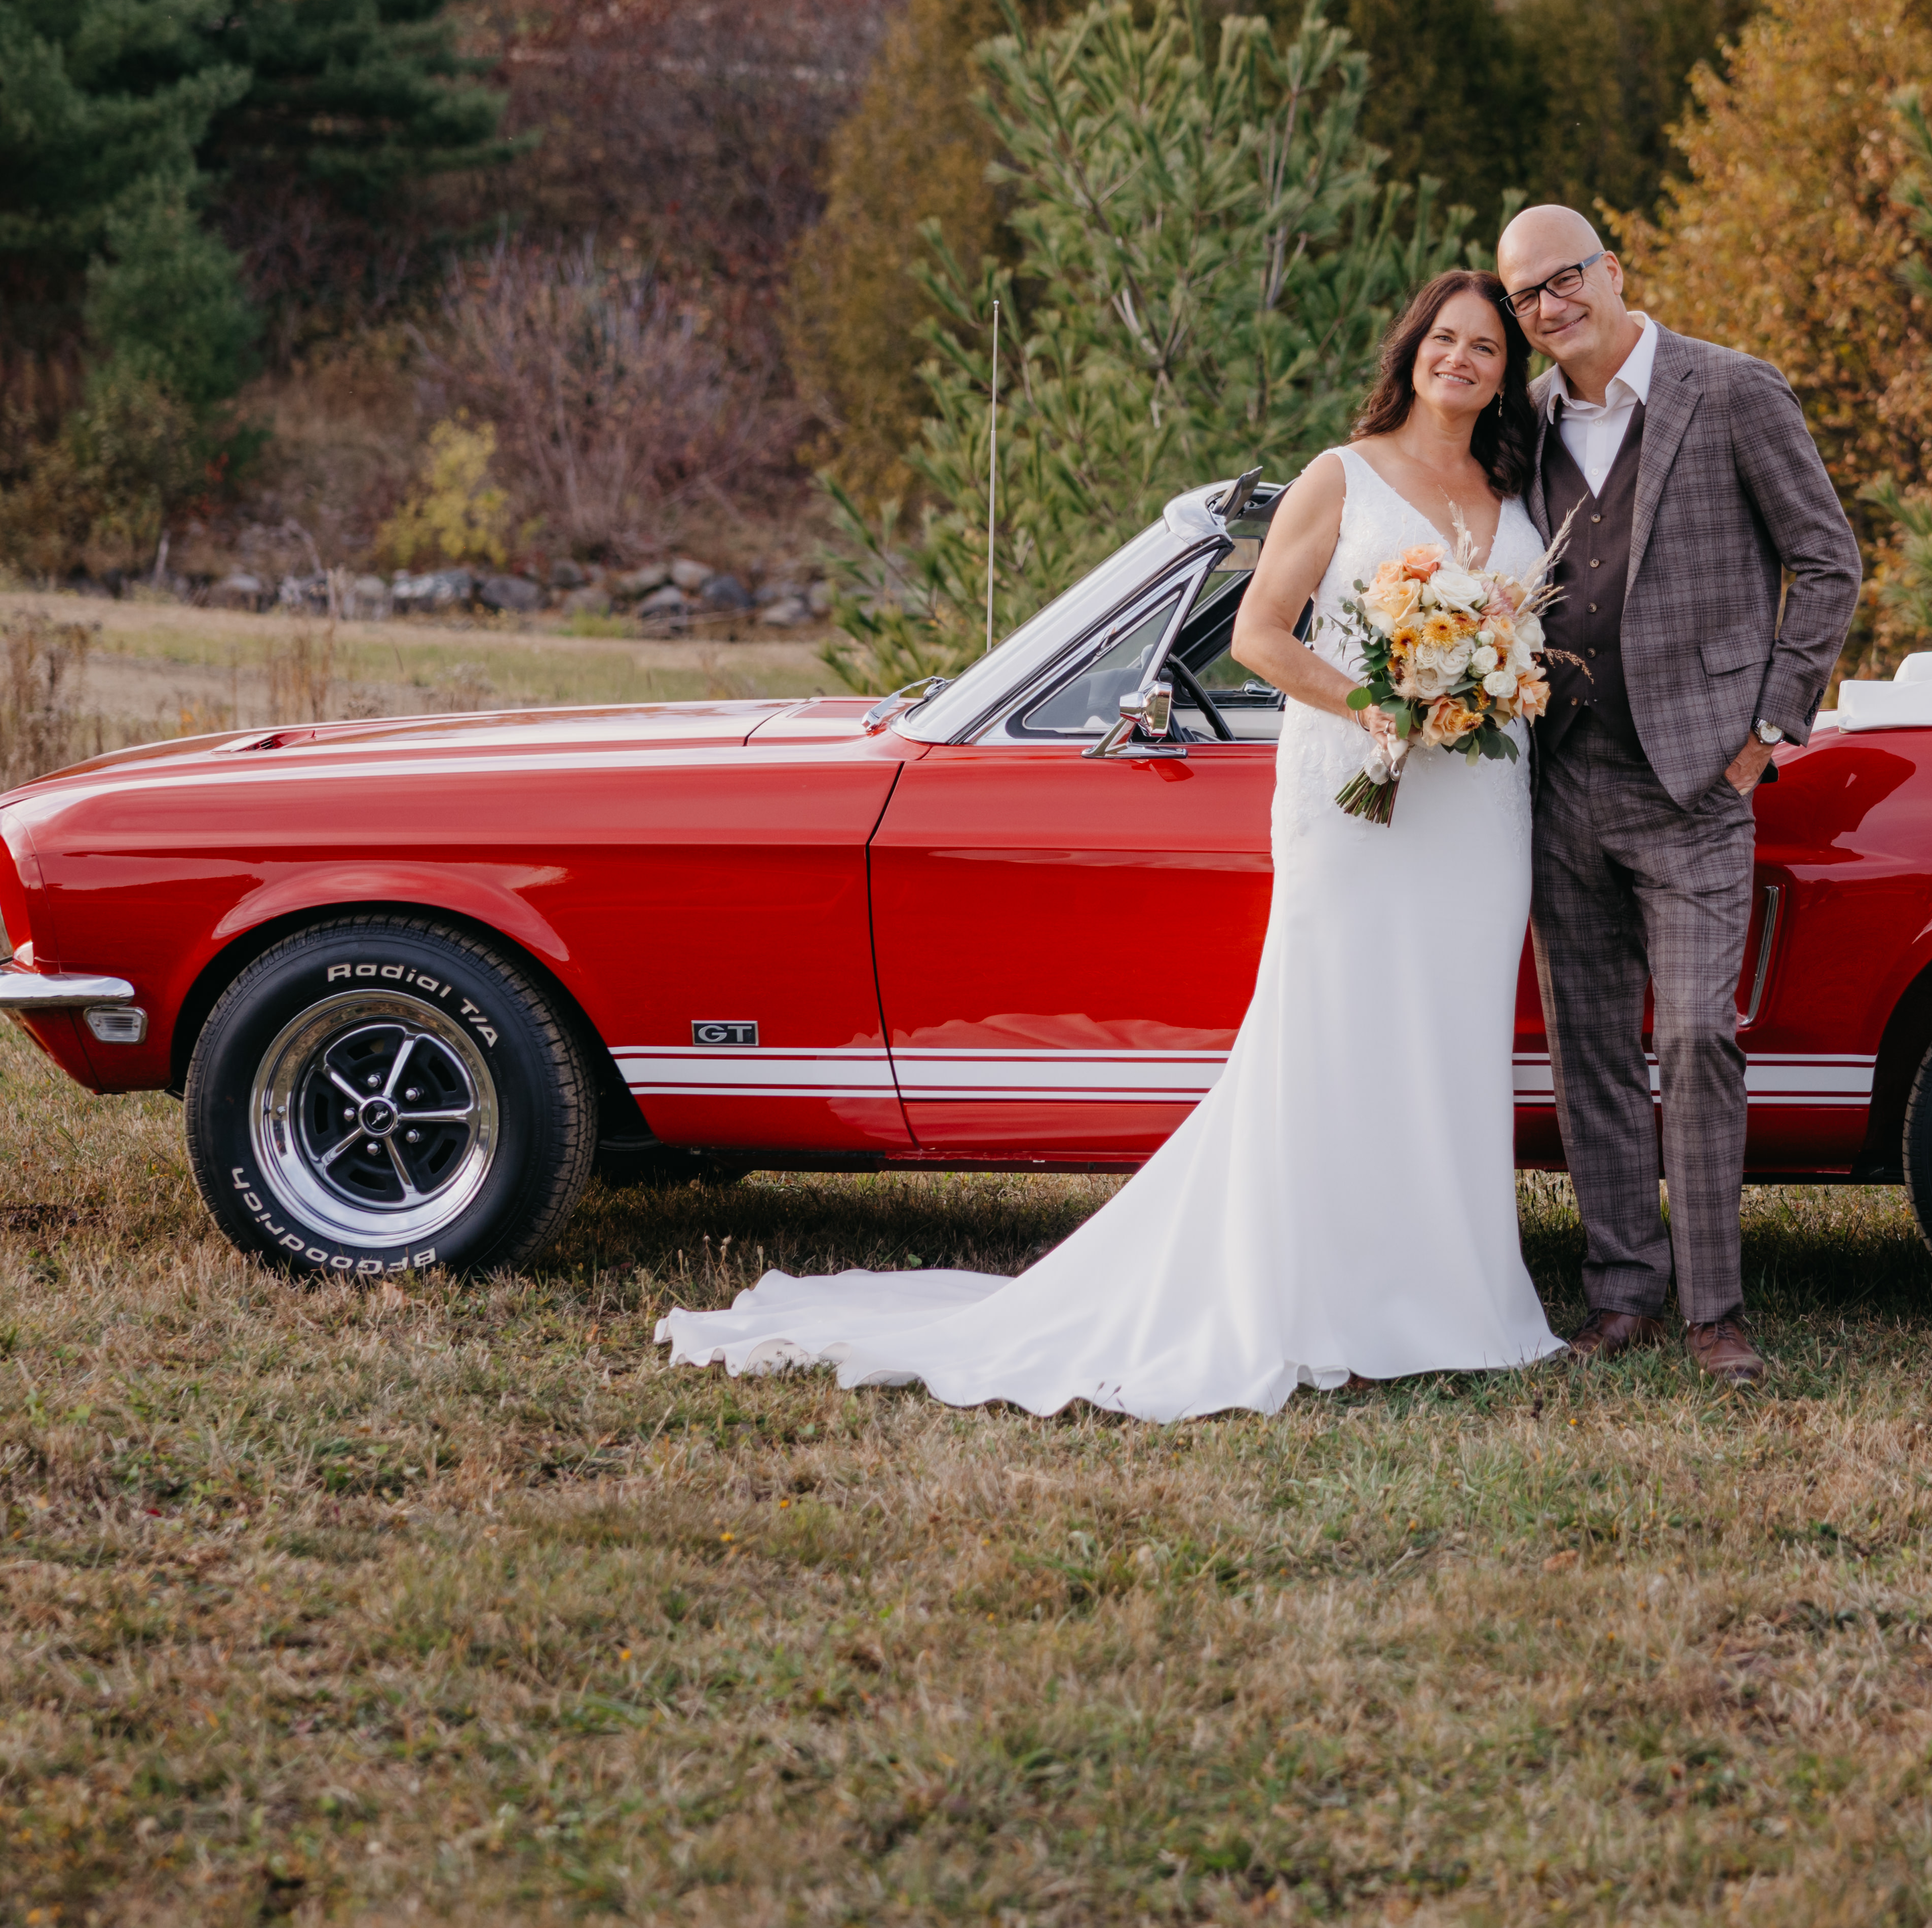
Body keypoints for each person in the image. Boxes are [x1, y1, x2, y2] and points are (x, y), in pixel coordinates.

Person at [655, 272, 1566, 1419]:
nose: (1463, 360)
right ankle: (1321, 1295)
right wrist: (1372, 702)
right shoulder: (1342, 475)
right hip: (1361, 792)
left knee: (1449, 1040)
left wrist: (1484, 680)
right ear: (1412, 348)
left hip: (1478, 810)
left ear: (1503, 370)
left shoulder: (1510, 486)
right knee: (1337, 1030)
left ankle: (1456, 1297)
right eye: (1446, 338)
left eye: (1485, 346)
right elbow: (1257, 637)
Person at [1492, 204, 1861, 1389]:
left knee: (1700, 1035)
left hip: (1698, 778)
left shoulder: (1731, 389)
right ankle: (1622, 1293)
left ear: (1613, 271)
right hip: (1562, 778)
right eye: (1525, 296)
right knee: (1591, 1045)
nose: (1550, 308)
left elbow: (1828, 558)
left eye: (1565, 280)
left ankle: (1715, 1307)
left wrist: (1765, 733)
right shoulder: (1531, 420)